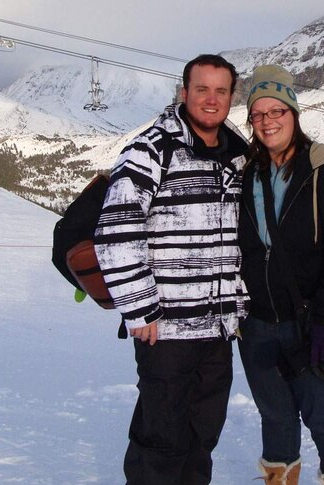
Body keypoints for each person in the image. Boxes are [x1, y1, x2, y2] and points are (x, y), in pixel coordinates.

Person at [94, 54, 248, 485]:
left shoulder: (235, 156)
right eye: (202, 89)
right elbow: (116, 232)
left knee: (201, 441)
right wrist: (141, 310)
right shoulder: (153, 149)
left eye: (221, 91)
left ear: (231, 97)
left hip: (217, 330)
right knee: (161, 443)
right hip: (167, 331)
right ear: (184, 93)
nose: (211, 99)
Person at [238, 65, 324, 485]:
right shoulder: (247, 173)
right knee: (275, 418)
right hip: (257, 324)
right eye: (259, 114)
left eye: (278, 111)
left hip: (309, 323)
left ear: (294, 112)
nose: (269, 121)